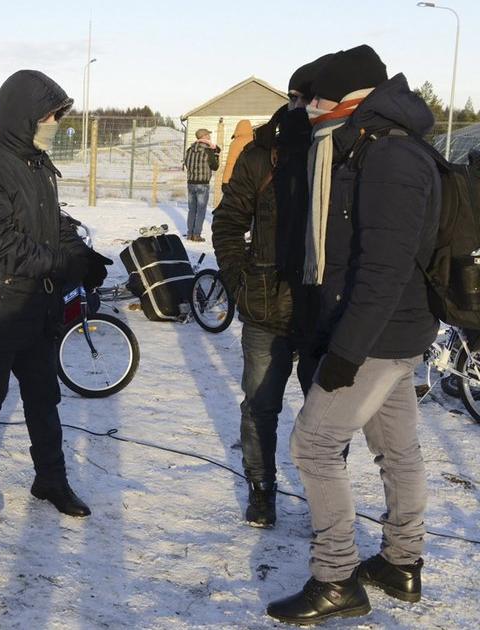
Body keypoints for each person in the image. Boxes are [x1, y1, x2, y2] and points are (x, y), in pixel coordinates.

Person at [267, 45, 440, 625]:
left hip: (376, 335)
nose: (308, 110)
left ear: (345, 99)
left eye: (314, 98)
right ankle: (401, 563)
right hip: (389, 333)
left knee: (311, 445)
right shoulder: (372, 144)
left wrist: (344, 352)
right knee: (397, 451)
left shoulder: (390, 157)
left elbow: (384, 270)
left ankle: (336, 575)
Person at [0, 69, 110, 520]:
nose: (54, 125)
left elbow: (52, 222)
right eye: (49, 116)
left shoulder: (34, 161)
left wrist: (82, 254)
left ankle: (51, 480)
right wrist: (62, 263)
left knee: (43, 398)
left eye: (57, 117)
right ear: (23, 116)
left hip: (37, 305)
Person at [210, 56, 330, 529]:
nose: (307, 109)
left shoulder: (338, 153)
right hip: (265, 308)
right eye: (301, 99)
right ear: (293, 99)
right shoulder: (262, 154)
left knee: (324, 418)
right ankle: (262, 490)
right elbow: (228, 222)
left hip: (321, 312)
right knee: (261, 407)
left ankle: (326, 495)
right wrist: (239, 281)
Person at [182, 128, 220, 241]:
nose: (209, 136)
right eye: (208, 135)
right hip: (203, 184)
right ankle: (197, 234)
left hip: (191, 183)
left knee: (192, 209)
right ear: (204, 137)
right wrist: (216, 155)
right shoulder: (208, 151)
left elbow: (187, 165)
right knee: (201, 210)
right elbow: (215, 167)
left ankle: (190, 234)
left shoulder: (189, 150)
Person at [220, 119, 253, 188]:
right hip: (251, 180)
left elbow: (231, 163)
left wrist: (225, 181)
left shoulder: (235, 143)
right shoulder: (254, 141)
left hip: (236, 179)